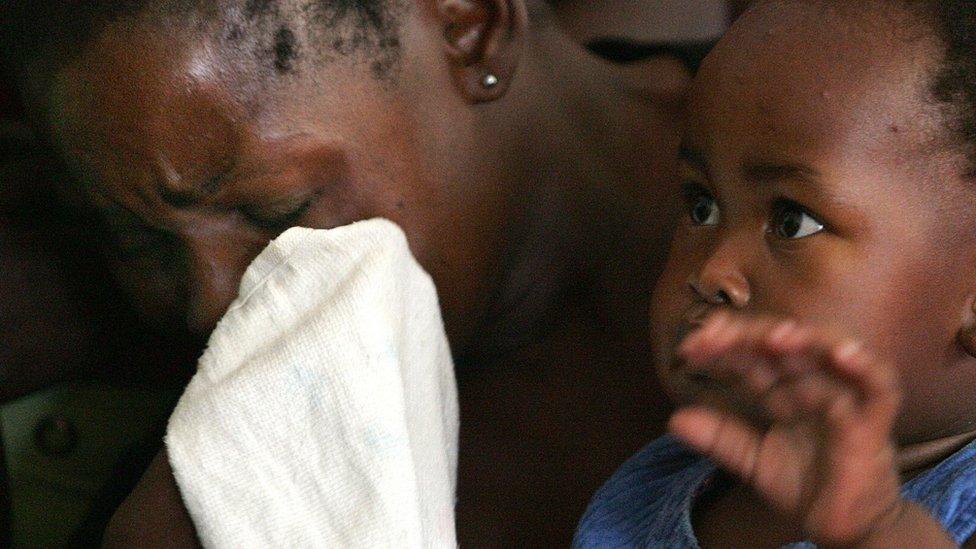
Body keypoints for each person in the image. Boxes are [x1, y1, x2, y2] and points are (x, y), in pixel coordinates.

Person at [1, 0, 720, 544]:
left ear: (471, 26)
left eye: (278, 209)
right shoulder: (235, 487)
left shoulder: (818, 144)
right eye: (137, 241)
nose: (208, 303)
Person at [575, 0, 976, 547]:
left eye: (793, 222)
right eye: (702, 206)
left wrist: (879, 534)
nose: (713, 271)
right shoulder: (653, 487)